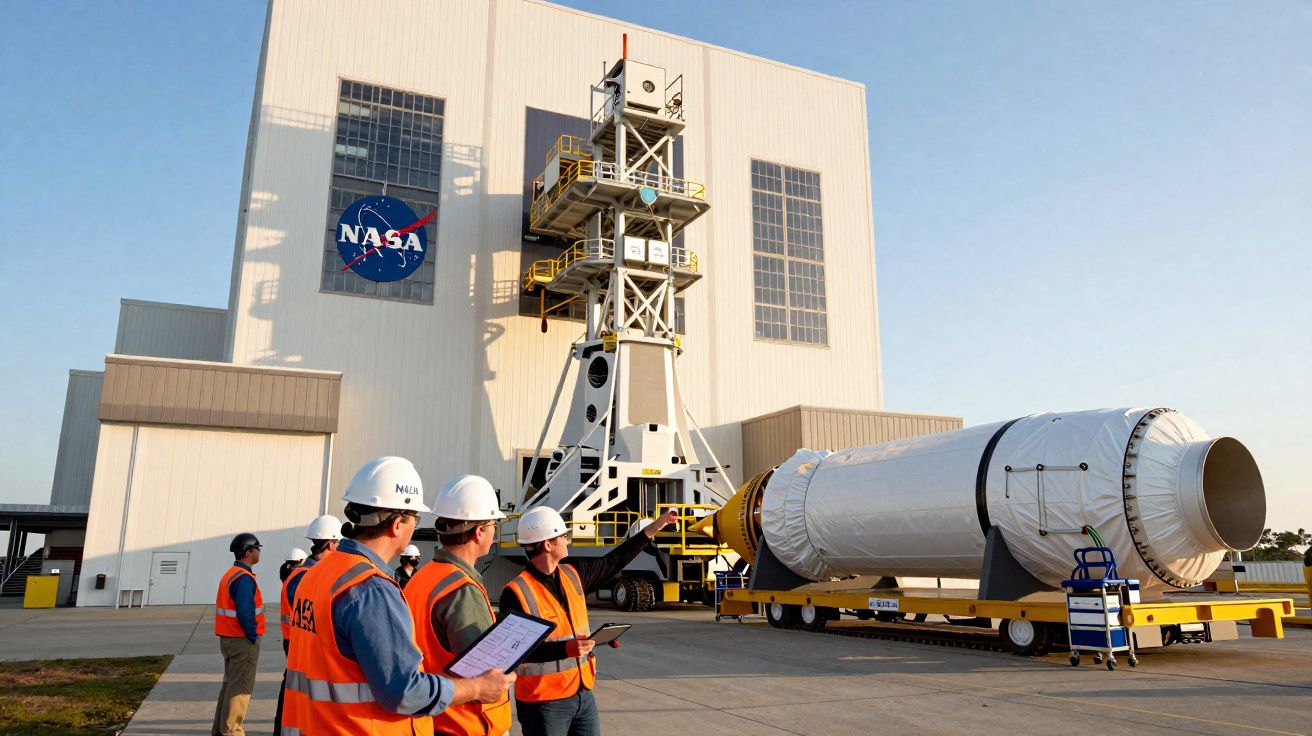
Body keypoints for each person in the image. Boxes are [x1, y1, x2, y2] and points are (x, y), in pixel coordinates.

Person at [283, 456, 514, 735]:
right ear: (397, 525)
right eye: (415, 518)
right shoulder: (371, 590)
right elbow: (403, 692)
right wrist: (477, 687)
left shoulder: (318, 575)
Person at [501, 506, 678, 736]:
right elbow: (515, 651)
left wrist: (654, 528)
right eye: (563, 536)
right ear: (547, 545)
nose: (568, 540)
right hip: (543, 703)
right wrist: (565, 649)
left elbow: (615, 560)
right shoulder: (515, 592)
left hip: (583, 694)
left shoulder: (573, 573)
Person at [404, 475, 511, 736]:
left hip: (434, 719)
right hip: (465, 724)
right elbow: (485, 670)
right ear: (479, 531)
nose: (495, 530)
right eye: (493, 523)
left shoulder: (424, 577)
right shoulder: (461, 590)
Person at [273, 515, 342, 735]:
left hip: (295, 642)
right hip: (303, 646)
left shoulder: (301, 574)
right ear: (332, 544)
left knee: (293, 693)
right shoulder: (312, 576)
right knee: (297, 696)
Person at [213, 532, 264, 736]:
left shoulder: (231, 574)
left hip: (229, 639)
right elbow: (245, 612)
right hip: (242, 640)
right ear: (249, 552)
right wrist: (252, 636)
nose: (259, 552)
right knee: (240, 689)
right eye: (258, 548)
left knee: (229, 686)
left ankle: (220, 731)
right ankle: (232, 731)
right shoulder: (243, 578)